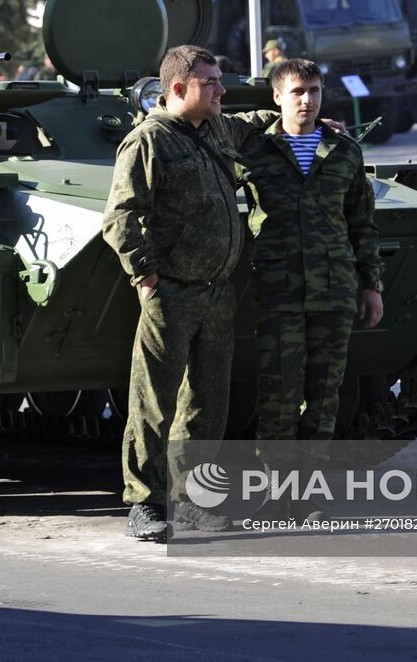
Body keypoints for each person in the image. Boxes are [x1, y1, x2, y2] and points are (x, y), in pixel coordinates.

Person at [102, 44, 272, 541]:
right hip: (171, 293)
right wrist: (146, 275)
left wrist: (295, 118)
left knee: (207, 402)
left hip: (218, 292)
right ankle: (145, 502)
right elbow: (121, 217)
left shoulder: (215, 127)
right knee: (154, 401)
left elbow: (252, 121)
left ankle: (194, 502)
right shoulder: (148, 141)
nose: (222, 91)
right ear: (178, 88)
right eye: (212, 83)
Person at [238, 58, 384, 454]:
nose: (307, 100)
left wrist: (371, 285)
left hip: (334, 290)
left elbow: (362, 224)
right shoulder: (253, 150)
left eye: (315, 91)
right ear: (277, 97)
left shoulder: (344, 151)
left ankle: (307, 493)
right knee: (278, 398)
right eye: (297, 92)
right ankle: (276, 492)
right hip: (278, 291)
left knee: (324, 399)